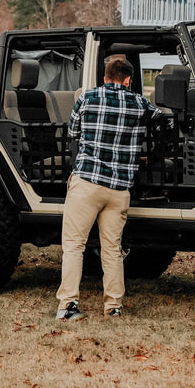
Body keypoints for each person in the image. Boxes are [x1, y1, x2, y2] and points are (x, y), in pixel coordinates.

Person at [56, 58, 161, 320]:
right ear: (128, 80)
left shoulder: (87, 97)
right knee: (112, 249)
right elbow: (160, 120)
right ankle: (113, 307)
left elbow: (73, 131)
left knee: (73, 246)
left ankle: (68, 306)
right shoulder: (139, 102)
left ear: (105, 77)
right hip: (119, 189)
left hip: (87, 183)